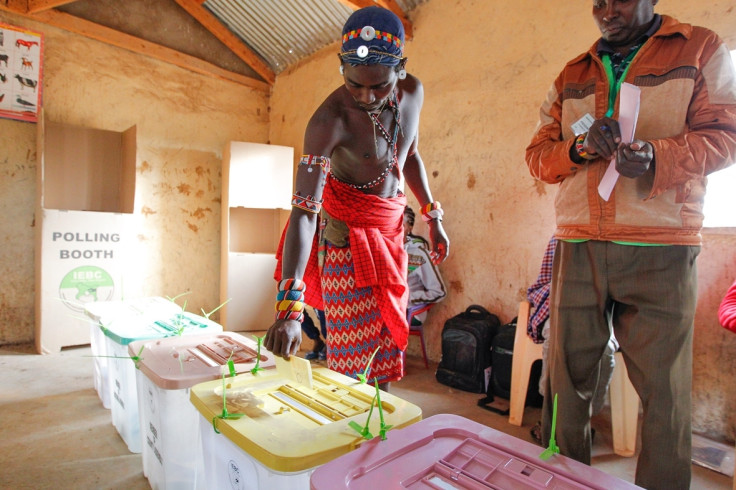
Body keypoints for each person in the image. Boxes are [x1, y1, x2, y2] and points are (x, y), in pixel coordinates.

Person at [525, 2, 736, 488]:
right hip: (578, 245)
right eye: (598, 0)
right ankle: (560, 480)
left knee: (665, 394)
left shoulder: (699, 48)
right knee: (564, 384)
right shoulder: (573, 72)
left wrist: (660, 155)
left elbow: (725, 135)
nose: (606, 10)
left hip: (661, 246)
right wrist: (577, 149)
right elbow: (538, 157)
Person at [265, 6, 449, 392]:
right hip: (346, 246)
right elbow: (303, 212)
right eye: (355, 84)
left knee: (383, 356)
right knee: (352, 366)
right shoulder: (328, 121)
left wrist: (433, 216)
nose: (366, 96)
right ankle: (356, 442)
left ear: (401, 68)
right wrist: (289, 307)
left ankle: (378, 435)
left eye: (379, 86)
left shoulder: (413, 92)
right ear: (342, 69)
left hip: (390, 236)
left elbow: (410, 155)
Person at [527, 237, 616, 444]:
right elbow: (542, 285)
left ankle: (583, 419)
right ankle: (551, 417)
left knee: (605, 349)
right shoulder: (561, 238)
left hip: (603, 312)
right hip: (562, 306)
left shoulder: (619, 240)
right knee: (558, 343)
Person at [403, 206, 446, 324]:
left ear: (409, 228)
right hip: (387, 308)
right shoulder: (384, 251)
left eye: (402, 226)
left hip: (410, 311)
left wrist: (408, 297)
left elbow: (439, 292)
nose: (396, 231)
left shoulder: (419, 255)